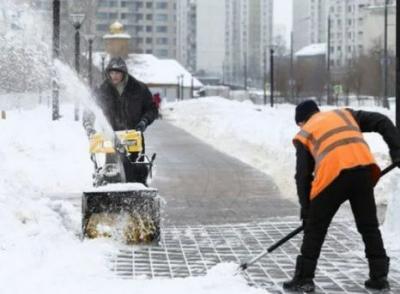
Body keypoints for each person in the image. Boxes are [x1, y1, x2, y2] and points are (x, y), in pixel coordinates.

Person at [283, 100, 400, 292]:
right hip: (363, 171)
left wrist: (307, 211)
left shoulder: (304, 133)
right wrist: (397, 151)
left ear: (301, 122)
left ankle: (304, 279)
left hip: (333, 178)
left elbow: (303, 176)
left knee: (315, 229)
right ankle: (379, 278)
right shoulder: (344, 114)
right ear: (317, 111)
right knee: (369, 227)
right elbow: (381, 120)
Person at [83, 57, 158, 185]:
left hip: (134, 138)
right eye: (111, 73)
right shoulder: (102, 90)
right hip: (111, 138)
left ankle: (137, 196)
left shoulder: (139, 89)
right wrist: (89, 125)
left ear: (124, 73)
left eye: (117, 73)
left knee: (135, 174)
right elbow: (90, 109)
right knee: (112, 173)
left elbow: (152, 109)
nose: (114, 76)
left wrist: (144, 122)